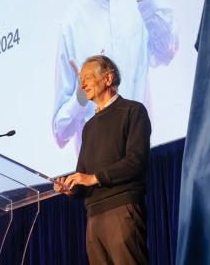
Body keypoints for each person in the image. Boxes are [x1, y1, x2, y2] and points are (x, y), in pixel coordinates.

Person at [54, 55, 151, 265]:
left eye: (88, 77)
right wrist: (71, 187)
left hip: (122, 210)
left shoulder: (133, 111)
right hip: (94, 217)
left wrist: (93, 178)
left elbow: (136, 162)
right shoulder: (88, 128)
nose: (83, 84)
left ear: (108, 79)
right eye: (81, 80)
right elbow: (84, 176)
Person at [52, 0, 177, 153]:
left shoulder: (141, 6)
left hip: (141, 161)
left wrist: (144, 0)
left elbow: (167, 51)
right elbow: (60, 132)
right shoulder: (72, 23)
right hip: (96, 171)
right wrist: (82, 97)